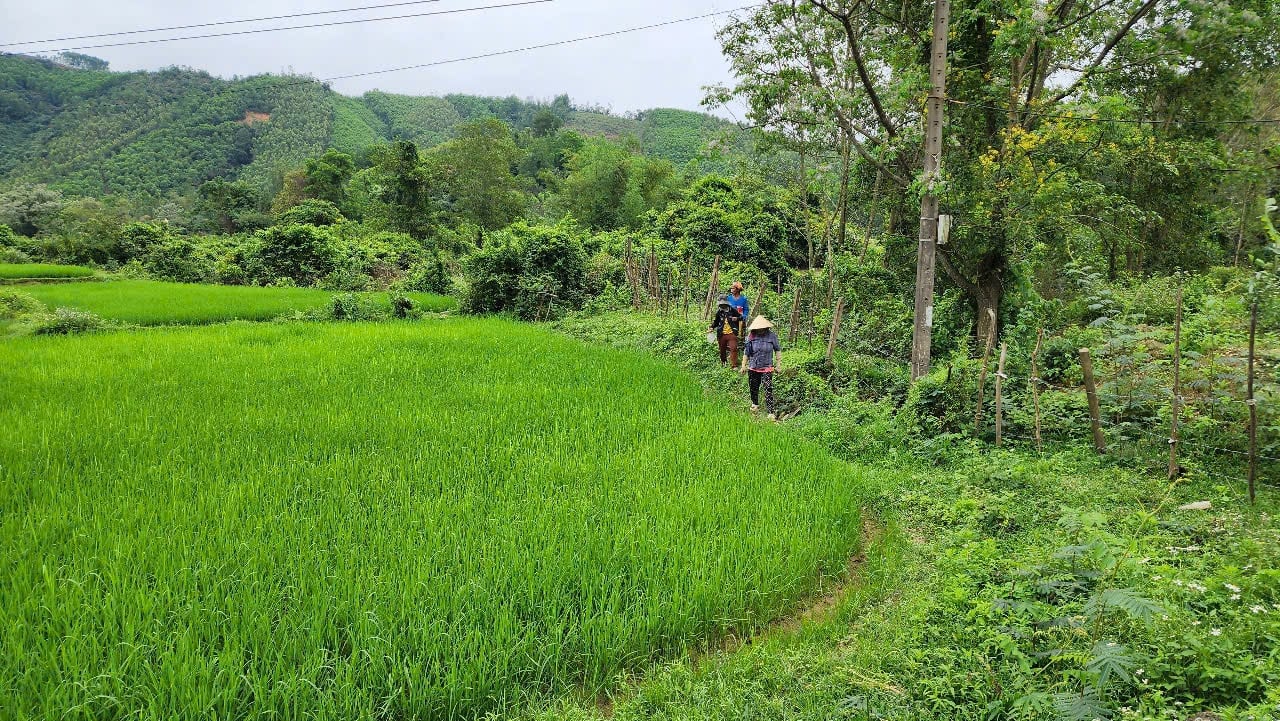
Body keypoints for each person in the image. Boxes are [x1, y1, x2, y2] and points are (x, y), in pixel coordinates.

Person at [740, 316, 781, 420]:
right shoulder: (751, 336)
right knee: (753, 387)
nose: (760, 330)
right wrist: (743, 365)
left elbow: (777, 350)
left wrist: (778, 364)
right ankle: (755, 404)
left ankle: (771, 412)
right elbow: (746, 352)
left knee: (768, 388)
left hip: (767, 367)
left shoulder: (772, 336)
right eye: (759, 328)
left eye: (762, 328)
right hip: (753, 367)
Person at [708, 296, 743, 367]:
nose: (721, 306)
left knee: (733, 348)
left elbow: (741, 317)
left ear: (727, 304)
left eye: (723, 304)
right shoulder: (719, 312)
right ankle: (723, 363)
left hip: (732, 333)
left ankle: (734, 365)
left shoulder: (732, 310)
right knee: (722, 350)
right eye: (720, 304)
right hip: (721, 334)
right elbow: (716, 322)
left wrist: (736, 318)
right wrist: (712, 327)